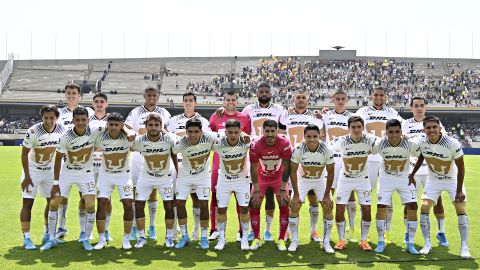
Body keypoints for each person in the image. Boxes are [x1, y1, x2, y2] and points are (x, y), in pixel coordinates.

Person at [410, 115, 470, 258]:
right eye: (428, 128)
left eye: (434, 127)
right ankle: (427, 244)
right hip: (433, 180)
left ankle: (464, 247)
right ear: (424, 129)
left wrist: (459, 190)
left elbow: (461, 167)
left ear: (439, 128)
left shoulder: (452, 143)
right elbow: (422, 157)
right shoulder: (423, 142)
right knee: (424, 207)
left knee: (460, 208)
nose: (431, 130)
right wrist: (412, 174)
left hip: (452, 180)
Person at [40, 107, 97, 251]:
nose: (80, 122)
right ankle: (52, 239)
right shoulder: (65, 136)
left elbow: (115, 127)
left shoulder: (95, 131)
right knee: (54, 204)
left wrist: (128, 132)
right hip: (67, 173)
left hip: (86, 173)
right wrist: (56, 183)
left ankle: (85, 239)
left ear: (88, 120)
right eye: (77, 120)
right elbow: (58, 159)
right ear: (73, 120)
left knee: (90, 206)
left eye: (83, 119)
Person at [355, 86, 402, 241]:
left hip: (386, 158)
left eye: (381, 95)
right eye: (376, 95)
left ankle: (386, 230)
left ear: (385, 97)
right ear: (371, 96)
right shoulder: (363, 111)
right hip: (368, 159)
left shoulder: (392, 113)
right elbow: (353, 126)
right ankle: (364, 233)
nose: (379, 97)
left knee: (386, 197)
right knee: (365, 196)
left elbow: (402, 129)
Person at [124, 86, 171, 241]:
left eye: (154, 95)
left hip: (158, 155)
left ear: (158, 96)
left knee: (153, 193)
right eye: (149, 95)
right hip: (138, 156)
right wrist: (129, 132)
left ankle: (151, 226)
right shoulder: (136, 112)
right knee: (136, 193)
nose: (151, 97)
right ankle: (134, 227)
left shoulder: (164, 113)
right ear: (144, 96)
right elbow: (127, 126)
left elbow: (168, 132)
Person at [241, 82, 286, 242]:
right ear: (257, 93)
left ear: (271, 93)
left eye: (267, 91)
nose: (264, 93)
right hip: (254, 153)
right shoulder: (248, 110)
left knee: (269, 195)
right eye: (261, 91)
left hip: (274, 153)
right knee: (254, 194)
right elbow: (242, 129)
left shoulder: (279, 109)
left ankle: (267, 230)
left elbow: (284, 129)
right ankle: (254, 231)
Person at [279, 89, 326, 242]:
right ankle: (287, 232)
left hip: (310, 162)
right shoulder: (286, 115)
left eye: (303, 97)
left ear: (308, 100)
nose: (300, 100)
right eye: (298, 97)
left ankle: (313, 231)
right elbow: (280, 135)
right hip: (291, 160)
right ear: (294, 99)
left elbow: (322, 138)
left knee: (313, 198)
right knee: (291, 199)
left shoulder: (315, 117)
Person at [401, 96, 448, 246]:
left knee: (437, 201)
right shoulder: (405, 124)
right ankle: (408, 233)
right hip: (411, 170)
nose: (419, 108)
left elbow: (443, 139)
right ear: (411, 108)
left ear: (425, 107)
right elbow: (401, 141)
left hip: (431, 170)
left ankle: (441, 232)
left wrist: (416, 138)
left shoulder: (435, 123)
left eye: (421, 105)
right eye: (416, 106)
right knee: (409, 203)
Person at [20, 105, 66, 250]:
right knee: (27, 203)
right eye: (46, 117)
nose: (48, 120)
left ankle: (48, 232)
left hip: (50, 170)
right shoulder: (33, 131)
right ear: (42, 118)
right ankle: (26, 238)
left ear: (56, 118)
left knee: (52, 202)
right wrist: (27, 176)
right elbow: (24, 154)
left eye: (52, 117)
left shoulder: (62, 130)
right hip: (33, 169)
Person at [371, 119, 420, 255]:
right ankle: (381, 241)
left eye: (397, 131)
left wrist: (413, 173)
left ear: (401, 132)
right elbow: (368, 150)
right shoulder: (380, 143)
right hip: (386, 180)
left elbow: (421, 154)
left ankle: (410, 242)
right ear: (386, 132)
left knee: (412, 207)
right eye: (390, 132)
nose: (394, 135)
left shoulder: (409, 143)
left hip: (404, 178)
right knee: (381, 208)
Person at [166, 92, 211, 241]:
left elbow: (209, 142)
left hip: (197, 165)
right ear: (182, 103)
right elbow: (167, 137)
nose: (188, 103)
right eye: (185, 100)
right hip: (178, 165)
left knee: (197, 198)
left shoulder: (203, 121)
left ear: (195, 103)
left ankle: (196, 230)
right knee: (176, 198)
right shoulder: (174, 120)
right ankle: (175, 229)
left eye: (191, 100)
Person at [131, 113, 178, 248]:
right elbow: (127, 146)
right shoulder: (140, 140)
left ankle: (169, 237)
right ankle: (142, 237)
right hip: (145, 178)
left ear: (161, 126)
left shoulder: (169, 138)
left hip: (165, 179)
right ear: (145, 126)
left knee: (168, 206)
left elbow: (178, 147)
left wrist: (178, 171)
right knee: (139, 205)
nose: (153, 128)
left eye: (156, 125)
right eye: (150, 125)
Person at [209, 90, 251, 241]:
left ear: (237, 101)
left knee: (241, 200)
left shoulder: (244, 118)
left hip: (240, 166)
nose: (230, 102)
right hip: (218, 164)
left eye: (233, 99)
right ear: (224, 101)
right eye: (228, 100)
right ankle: (214, 229)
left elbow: (248, 139)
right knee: (216, 197)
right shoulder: (216, 116)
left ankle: (241, 232)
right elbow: (209, 137)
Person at [55, 83, 94, 240]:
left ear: (80, 95)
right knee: (62, 197)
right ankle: (61, 227)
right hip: (65, 159)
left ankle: (84, 230)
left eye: (74, 93)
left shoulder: (88, 112)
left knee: (84, 196)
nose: (71, 95)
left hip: (84, 161)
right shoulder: (58, 113)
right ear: (65, 95)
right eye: (68, 93)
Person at [288, 124, 335, 253]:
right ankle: (294, 240)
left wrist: (326, 195)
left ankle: (326, 242)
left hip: (320, 180)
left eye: (315, 136)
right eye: (309, 136)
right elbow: (293, 171)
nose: (312, 139)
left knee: (328, 206)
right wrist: (296, 194)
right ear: (304, 137)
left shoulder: (327, 149)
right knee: (294, 206)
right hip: (302, 180)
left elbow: (331, 173)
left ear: (319, 136)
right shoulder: (298, 149)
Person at [172, 118, 218, 249]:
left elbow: (227, 134)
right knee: (180, 203)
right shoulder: (180, 143)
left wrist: (243, 135)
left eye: (196, 132)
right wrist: (177, 168)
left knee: (204, 204)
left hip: (202, 177)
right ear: (185, 132)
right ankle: (185, 236)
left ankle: (203, 237)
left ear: (201, 132)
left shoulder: (210, 137)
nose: (193, 135)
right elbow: (172, 152)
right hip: (185, 177)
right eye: (190, 132)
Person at [333, 116, 377, 251]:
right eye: (353, 127)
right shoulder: (341, 141)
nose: (356, 129)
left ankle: (364, 240)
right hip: (344, 179)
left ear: (363, 127)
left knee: (367, 209)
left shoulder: (370, 140)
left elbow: (383, 144)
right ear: (348, 128)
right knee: (340, 209)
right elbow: (329, 147)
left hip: (362, 180)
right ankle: (341, 239)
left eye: (359, 127)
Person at [93, 113, 134, 250]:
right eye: (111, 124)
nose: (113, 127)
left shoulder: (129, 137)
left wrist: (128, 131)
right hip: (106, 175)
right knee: (101, 203)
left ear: (122, 126)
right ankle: (101, 239)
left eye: (117, 125)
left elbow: (135, 137)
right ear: (107, 125)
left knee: (128, 204)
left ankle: (126, 239)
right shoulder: (100, 137)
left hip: (124, 175)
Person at [249, 120, 292, 251]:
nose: (270, 134)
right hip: (262, 177)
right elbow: (253, 167)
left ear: (277, 131)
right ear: (263, 131)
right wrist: (256, 189)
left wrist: (284, 188)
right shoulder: (256, 144)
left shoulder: (284, 143)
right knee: (254, 202)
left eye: (273, 131)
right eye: (267, 131)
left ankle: (281, 239)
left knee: (284, 202)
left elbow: (286, 166)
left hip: (278, 177)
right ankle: (256, 238)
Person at [321, 90, 354, 238]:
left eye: (343, 99)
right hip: (331, 159)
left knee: (351, 193)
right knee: (329, 194)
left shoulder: (353, 117)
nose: (340, 101)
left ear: (347, 100)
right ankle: (328, 229)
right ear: (332, 99)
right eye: (338, 99)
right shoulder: (325, 116)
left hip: (347, 159)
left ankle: (351, 227)